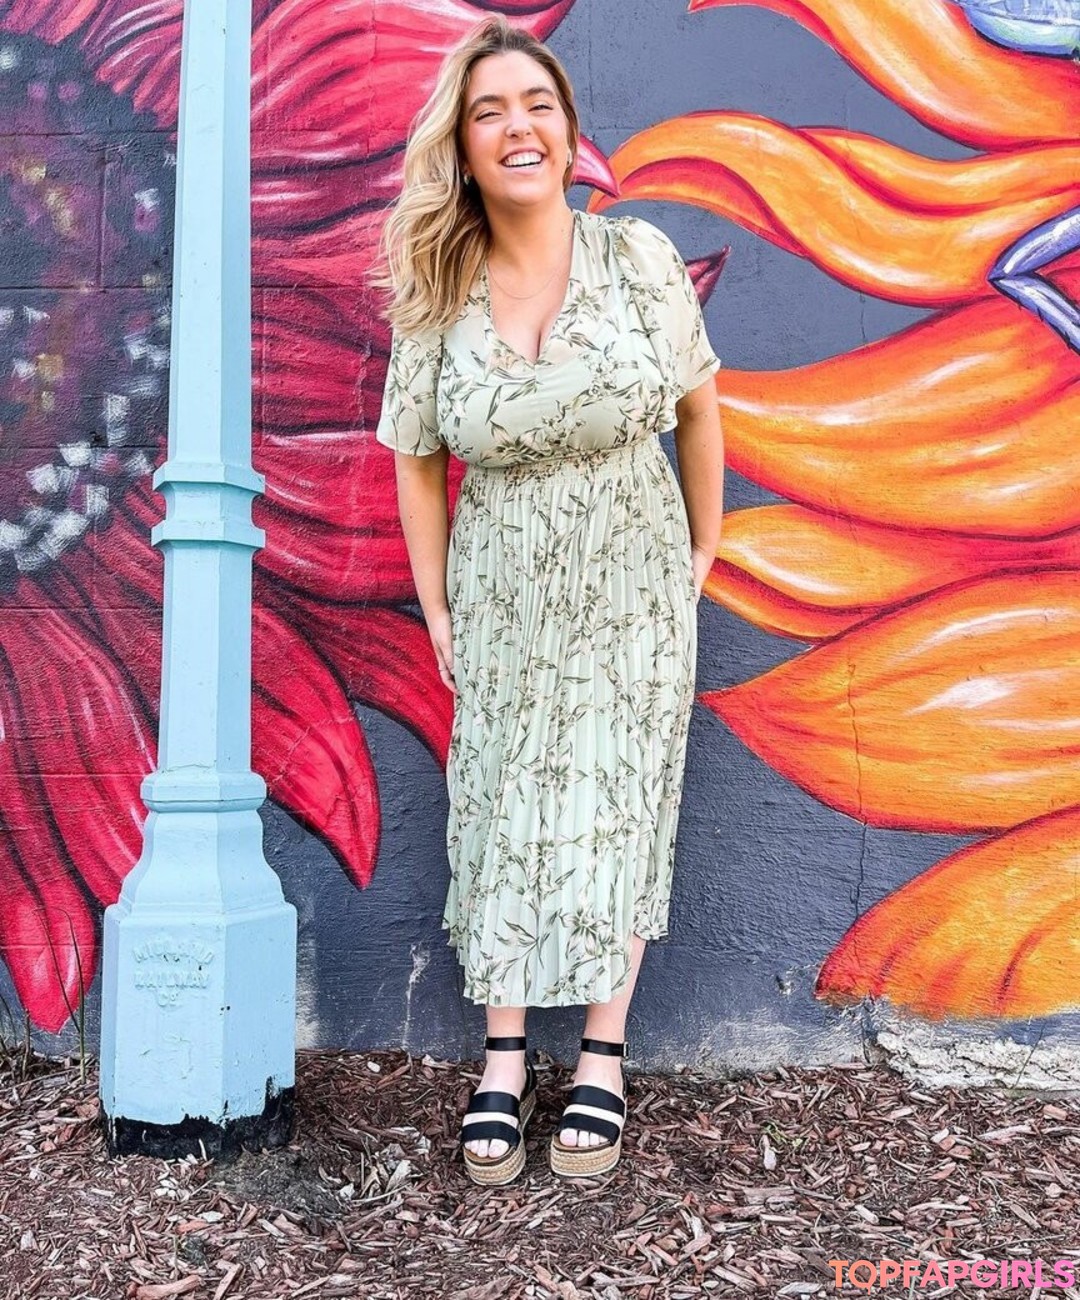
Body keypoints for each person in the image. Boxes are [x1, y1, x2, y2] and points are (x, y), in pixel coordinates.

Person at [370, 15, 724, 1185]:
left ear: (569, 132)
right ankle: (506, 1055)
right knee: (501, 800)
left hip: (633, 570)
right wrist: (436, 606)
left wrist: (701, 551)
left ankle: (603, 1053)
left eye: (537, 105)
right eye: (489, 111)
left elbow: (699, 405)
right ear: (463, 147)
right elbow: (417, 457)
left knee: (622, 797)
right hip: (500, 580)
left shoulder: (639, 258)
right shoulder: (439, 289)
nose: (517, 127)